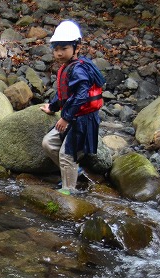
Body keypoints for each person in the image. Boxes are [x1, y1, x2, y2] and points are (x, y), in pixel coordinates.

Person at [40, 19, 106, 195]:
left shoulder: (78, 70)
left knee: (67, 154)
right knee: (48, 143)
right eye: (56, 49)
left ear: (76, 48)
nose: (59, 53)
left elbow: (81, 96)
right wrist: (53, 108)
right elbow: (64, 94)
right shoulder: (68, 67)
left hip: (82, 120)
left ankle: (68, 192)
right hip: (72, 116)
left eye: (64, 48)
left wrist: (65, 117)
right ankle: (73, 172)